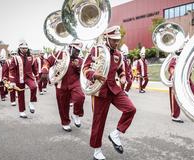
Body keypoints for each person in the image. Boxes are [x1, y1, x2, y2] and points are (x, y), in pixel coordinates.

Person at [83, 25, 136, 160]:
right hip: (99, 90)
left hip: (113, 88)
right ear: (106, 38)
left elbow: (120, 70)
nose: (116, 42)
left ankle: (115, 134)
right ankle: (97, 151)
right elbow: (85, 68)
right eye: (113, 39)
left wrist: (123, 76)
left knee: (131, 109)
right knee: (99, 122)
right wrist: (94, 75)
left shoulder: (118, 54)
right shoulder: (96, 50)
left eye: (118, 39)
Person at [41, 42, 85, 132]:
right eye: (76, 50)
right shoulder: (60, 54)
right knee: (63, 105)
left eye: (79, 50)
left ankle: (76, 114)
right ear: (70, 48)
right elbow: (47, 61)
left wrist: (78, 66)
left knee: (80, 97)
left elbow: (83, 72)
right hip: (61, 83)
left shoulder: (80, 59)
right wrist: (45, 70)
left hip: (75, 83)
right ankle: (65, 123)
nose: (77, 52)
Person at [168, 49, 194, 123]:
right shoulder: (175, 57)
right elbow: (171, 67)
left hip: (186, 79)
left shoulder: (186, 58)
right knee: (175, 98)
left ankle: (186, 105)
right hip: (176, 79)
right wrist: (174, 73)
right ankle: (175, 116)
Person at [9, 42, 38, 118]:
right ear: (19, 49)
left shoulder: (31, 57)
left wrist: (37, 77)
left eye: (25, 48)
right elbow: (11, 70)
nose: (24, 49)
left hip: (29, 77)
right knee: (20, 95)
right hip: (19, 78)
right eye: (22, 48)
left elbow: (35, 69)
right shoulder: (15, 58)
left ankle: (31, 102)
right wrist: (12, 81)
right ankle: (22, 111)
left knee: (34, 87)